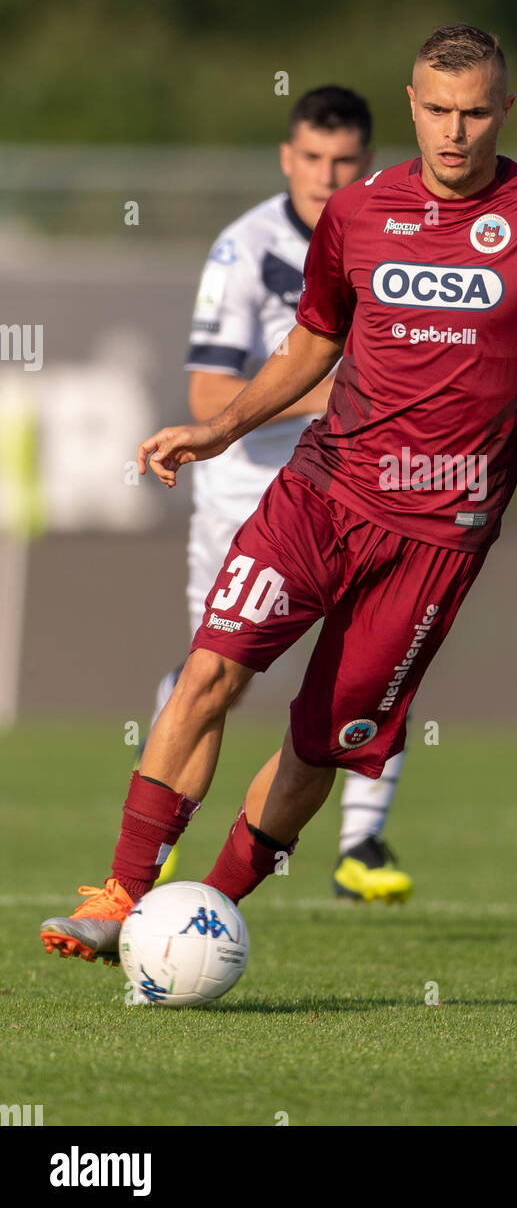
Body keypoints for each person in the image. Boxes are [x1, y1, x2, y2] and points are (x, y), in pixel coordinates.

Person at [40, 23, 517, 966]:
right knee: (210, 669)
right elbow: (310, 346)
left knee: (319, 749)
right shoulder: (359, 213)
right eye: (437, 111)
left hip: (437, 540)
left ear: (506, 109)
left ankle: (198, 918)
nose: (454, 132)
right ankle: (119, 892)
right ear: (411, 106)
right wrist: (220, 429)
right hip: (321, 496)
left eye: (475, 113)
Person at [144, 85, 413, 904]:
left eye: (346, 162)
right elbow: (204, 400)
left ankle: (361, 841)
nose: (328, 178)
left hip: (360, 488)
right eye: (313, 160)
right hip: (249, 494)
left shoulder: (395, 233)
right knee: (213, 673)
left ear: (366, 160)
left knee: (374, 665)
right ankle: (150, 849)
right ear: (286, 157)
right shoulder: (244, 248)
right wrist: (331, 393)